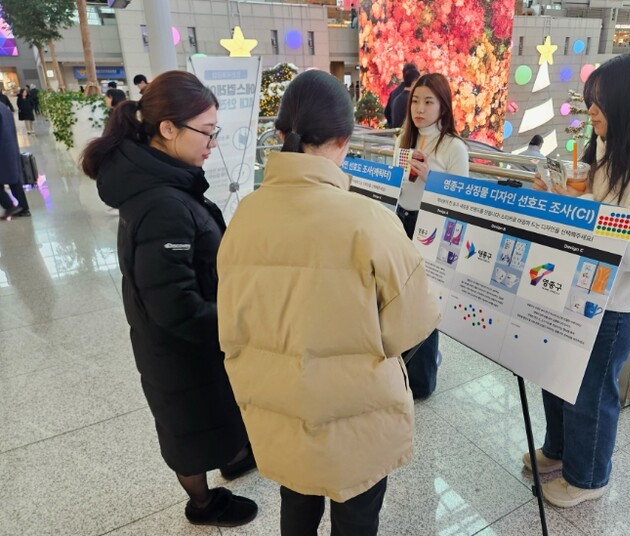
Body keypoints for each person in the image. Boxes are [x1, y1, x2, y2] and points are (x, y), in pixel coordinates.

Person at [216, 70, 440, 536]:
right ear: (344, 140)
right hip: (354, 416)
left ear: (281, 134)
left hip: (280, 406)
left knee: (296, 496)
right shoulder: (369, 219)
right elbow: (413, 325)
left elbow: (233, 322)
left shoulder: (245, 215)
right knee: (356, 513)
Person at [80, 71, 258, 528]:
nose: (213, 142)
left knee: (209, 413)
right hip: (177, 347)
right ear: (167, 128)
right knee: (188, 428)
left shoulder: (159, 179)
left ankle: (234, 455)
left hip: (181, 337)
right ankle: (203, 505)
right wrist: (241, 320)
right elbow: (176, 306)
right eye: (207, 131)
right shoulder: (162, 202)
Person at [528, 51, 630, 508]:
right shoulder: (613, 149)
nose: (591, 111)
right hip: (582, 289)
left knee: (591, 394)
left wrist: (578, 211)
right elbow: (598, 211)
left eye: (600, 102)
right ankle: (558, 450)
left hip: (615, 305)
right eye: (590, 101)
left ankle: (588, 476)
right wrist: (563, 197)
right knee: (556, 377)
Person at [392, 73, 470, 399]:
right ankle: (399, 369)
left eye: (428, 102)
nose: (419, 109)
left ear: (443, 106)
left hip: (433, 229)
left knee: (426, 302)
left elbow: (460, 200)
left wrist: (431, 179)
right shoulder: (403, 140)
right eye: (415, 101)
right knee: (399, 299)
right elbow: (397, 189)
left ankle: (422, 380)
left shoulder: (454, 147)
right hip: (402, 221)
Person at [0, 99, 31, 220]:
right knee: (13, 179)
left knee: (8, 178)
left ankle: (9, 206)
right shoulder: (3, 107)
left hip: (2, 149)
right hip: (9, 147)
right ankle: (23, 207)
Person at [384, 62, 418, 128]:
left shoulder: (394, 93)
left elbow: (387, 113)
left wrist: (393, 125)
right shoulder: (413, 95)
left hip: (395, 130)